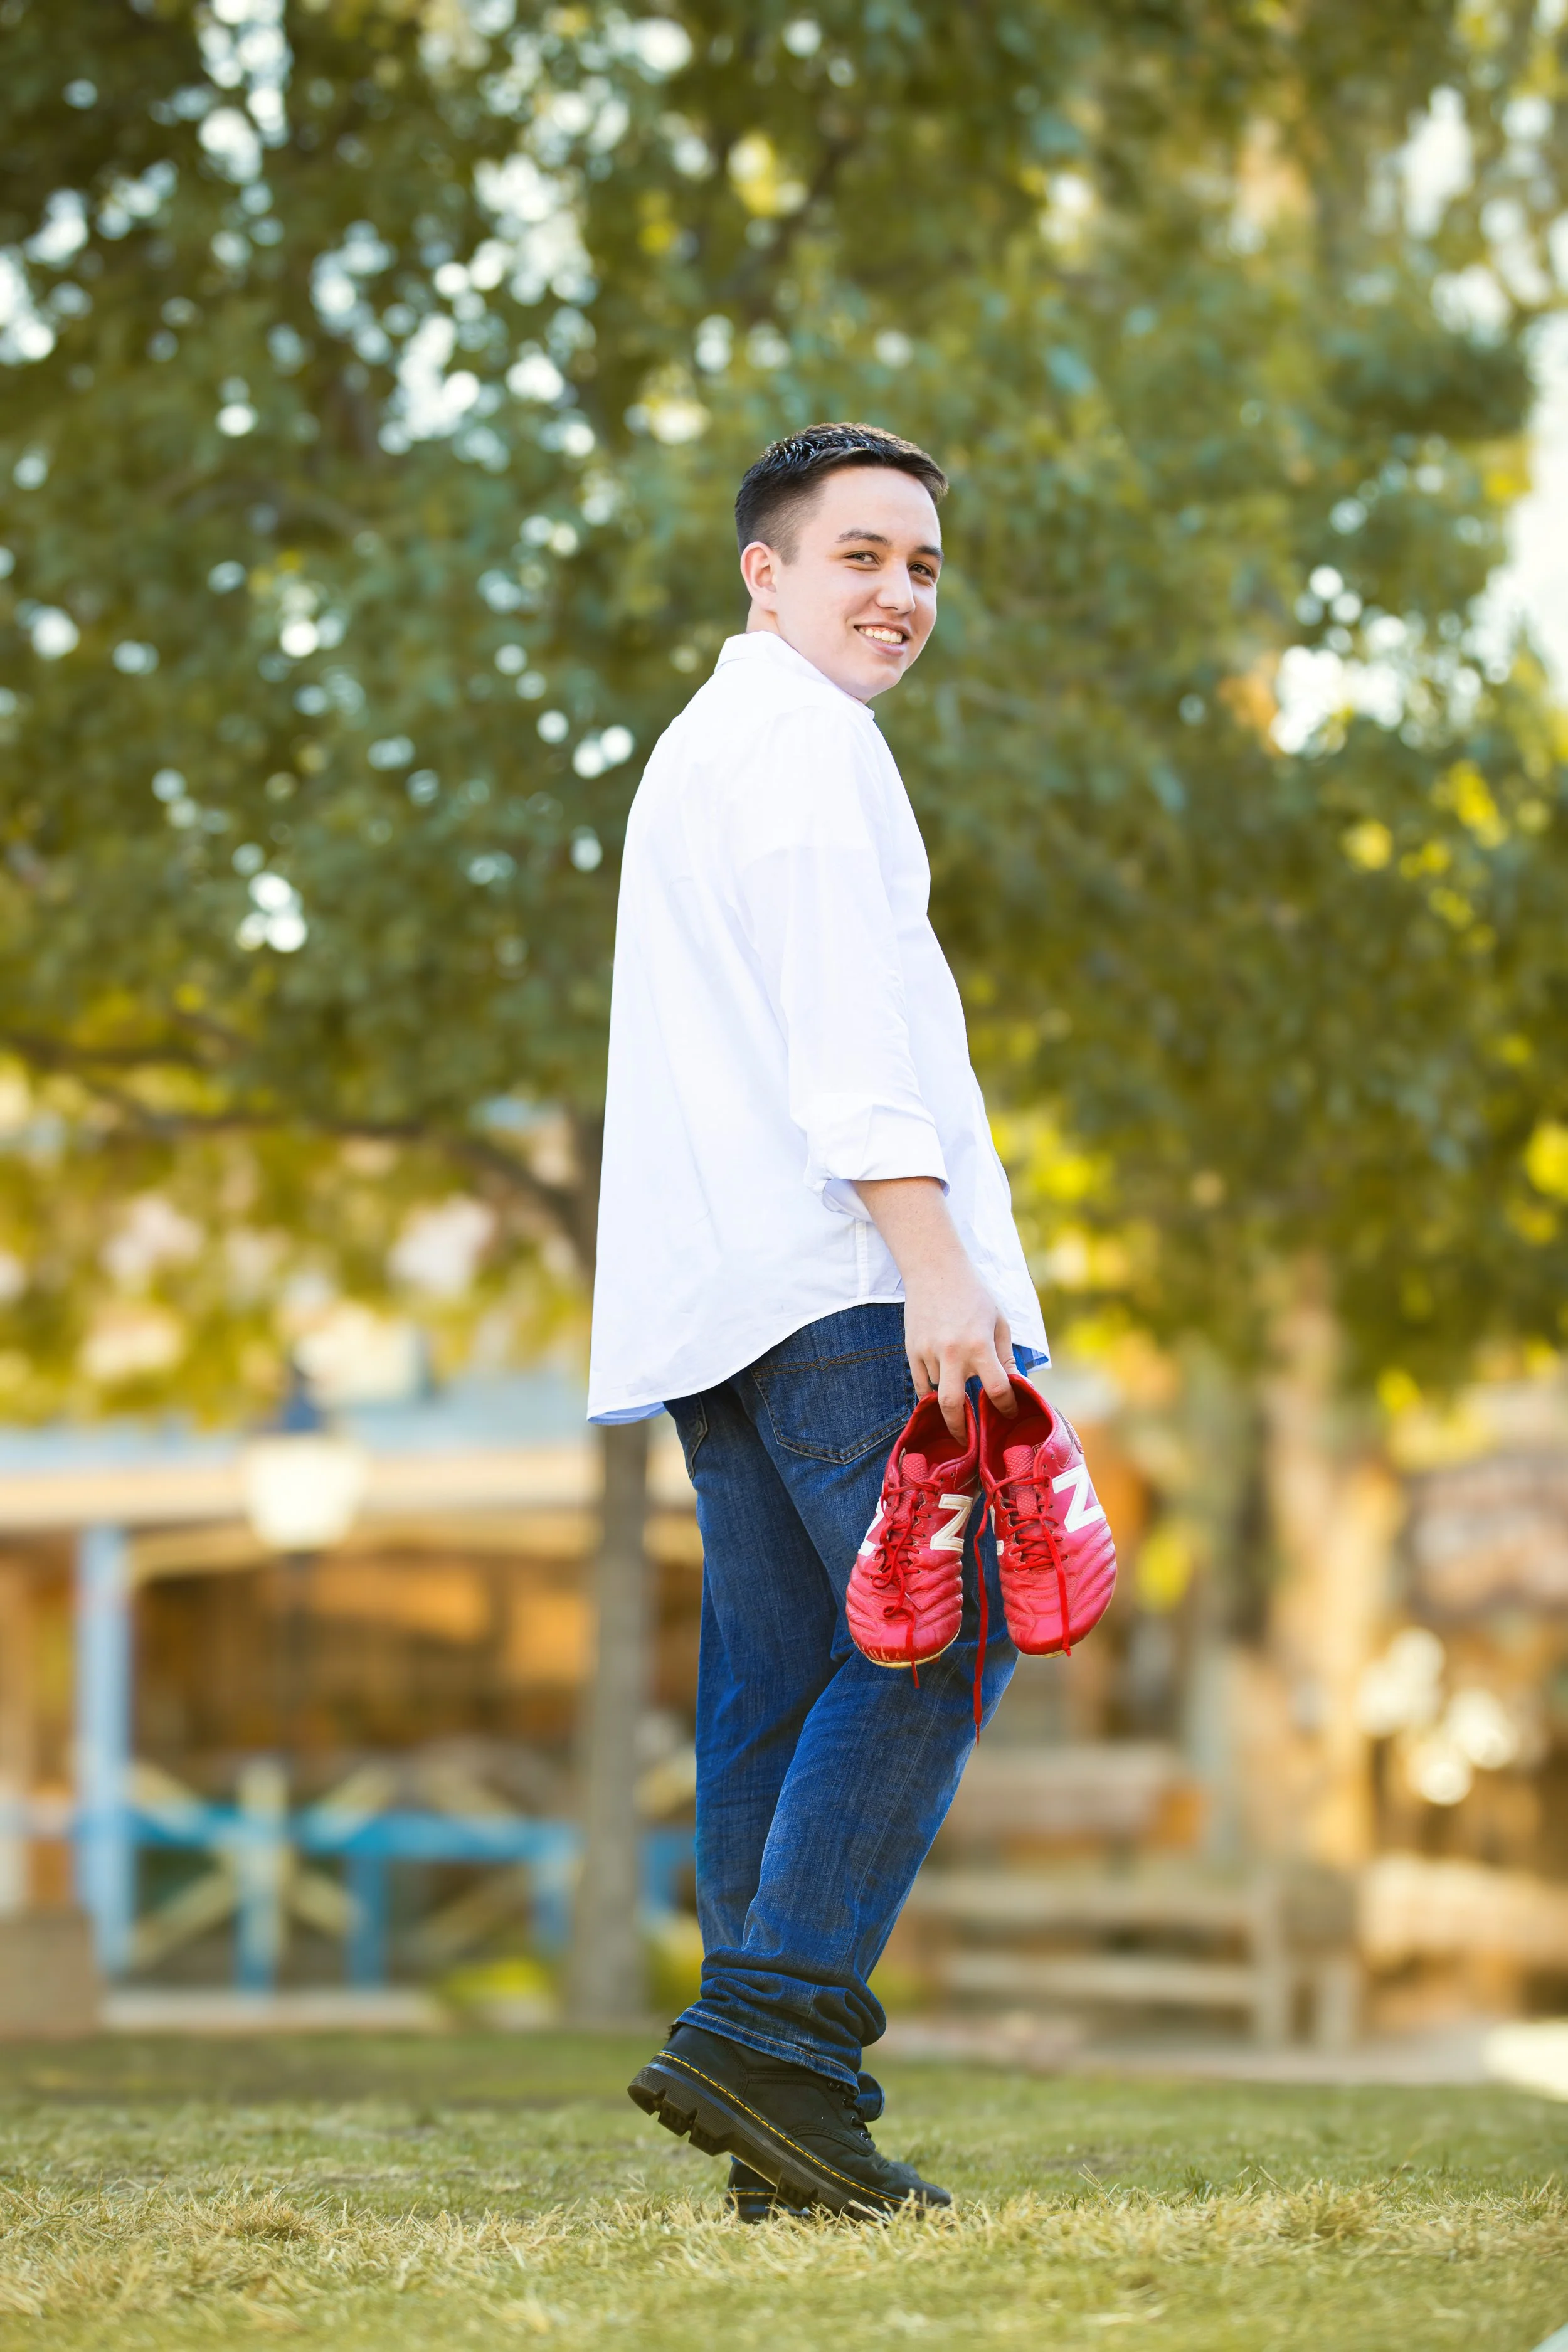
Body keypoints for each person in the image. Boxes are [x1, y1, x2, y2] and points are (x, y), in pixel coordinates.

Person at [588, 421, 1050, 2217]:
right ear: (762, 571)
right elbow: (847, 1034)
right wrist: (937, 1266)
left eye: (922, 565)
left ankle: (777, 2127)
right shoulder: (806, 748)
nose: (900, 594)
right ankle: (775, 2036)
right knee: (956, 1621)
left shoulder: (708, 746)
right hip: (848, 1285)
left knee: (776, 1696)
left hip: (728, 1305)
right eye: (860, 554)